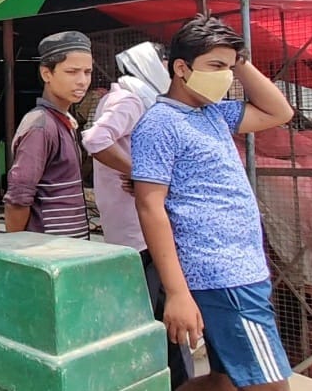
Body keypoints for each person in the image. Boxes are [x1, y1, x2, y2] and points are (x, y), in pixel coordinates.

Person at [132, 15, 294, 391]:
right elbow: (150, 207)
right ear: (181, 68)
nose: (226, 76)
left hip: (244, 269)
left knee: (223, 380)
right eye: (215, 67)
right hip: (221, 276)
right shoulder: (159, 124)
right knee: (270, 385)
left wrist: (241, 61)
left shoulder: (214, 114)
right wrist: (176, 292)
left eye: (229, 67)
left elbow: (279, 112)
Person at [82, 42, 193, 390]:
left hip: (140, 228)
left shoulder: (139, 97)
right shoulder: (128, 98)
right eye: (164, 60)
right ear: (151, 63)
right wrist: (140, 172)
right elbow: (96, 140)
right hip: (137, 231)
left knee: (156, 317)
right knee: (157, 317)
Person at [4, 31, 93, 238]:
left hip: (68, 252)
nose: (82, 81)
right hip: (48, 252)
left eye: (87, 72)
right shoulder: (41, 126)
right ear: (47, 74)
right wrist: (16, 249)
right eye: (72, 72)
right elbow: (18, 199)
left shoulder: (63, 121)